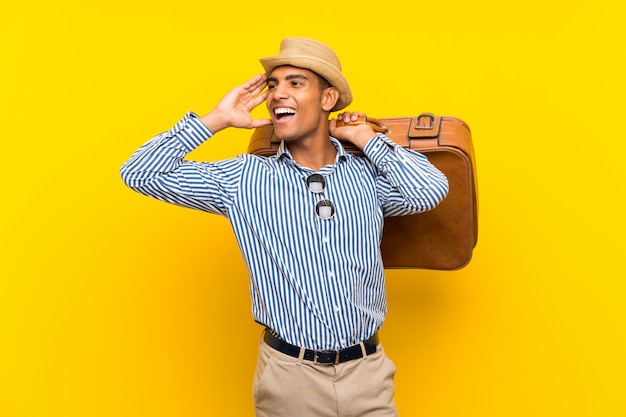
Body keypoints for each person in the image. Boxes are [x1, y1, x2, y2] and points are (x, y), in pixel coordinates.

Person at [120, 37, 449, 417]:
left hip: (367, 373)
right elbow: (140, 172)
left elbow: (429, 189)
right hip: (290, 379)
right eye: (273, 85)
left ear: (327, 100)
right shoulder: (244, 179)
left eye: (295, 83)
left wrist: (365, 138)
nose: (278, 94)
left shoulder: (366, 177)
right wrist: (216, 120)